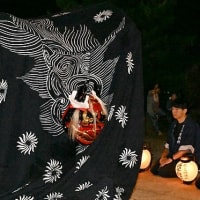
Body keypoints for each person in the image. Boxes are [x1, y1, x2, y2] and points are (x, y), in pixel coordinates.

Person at [150, 97, 200, 177]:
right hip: (174, 155)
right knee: (155, 169)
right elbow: (167, 145)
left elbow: (185, 150)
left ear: (185, 111)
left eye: (177, 109)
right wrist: (163, 157)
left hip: (186, 158)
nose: (174, 111)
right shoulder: (173, 124)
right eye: (173, 109)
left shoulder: (191, 125)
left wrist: (170, 160)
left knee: (163, 171)